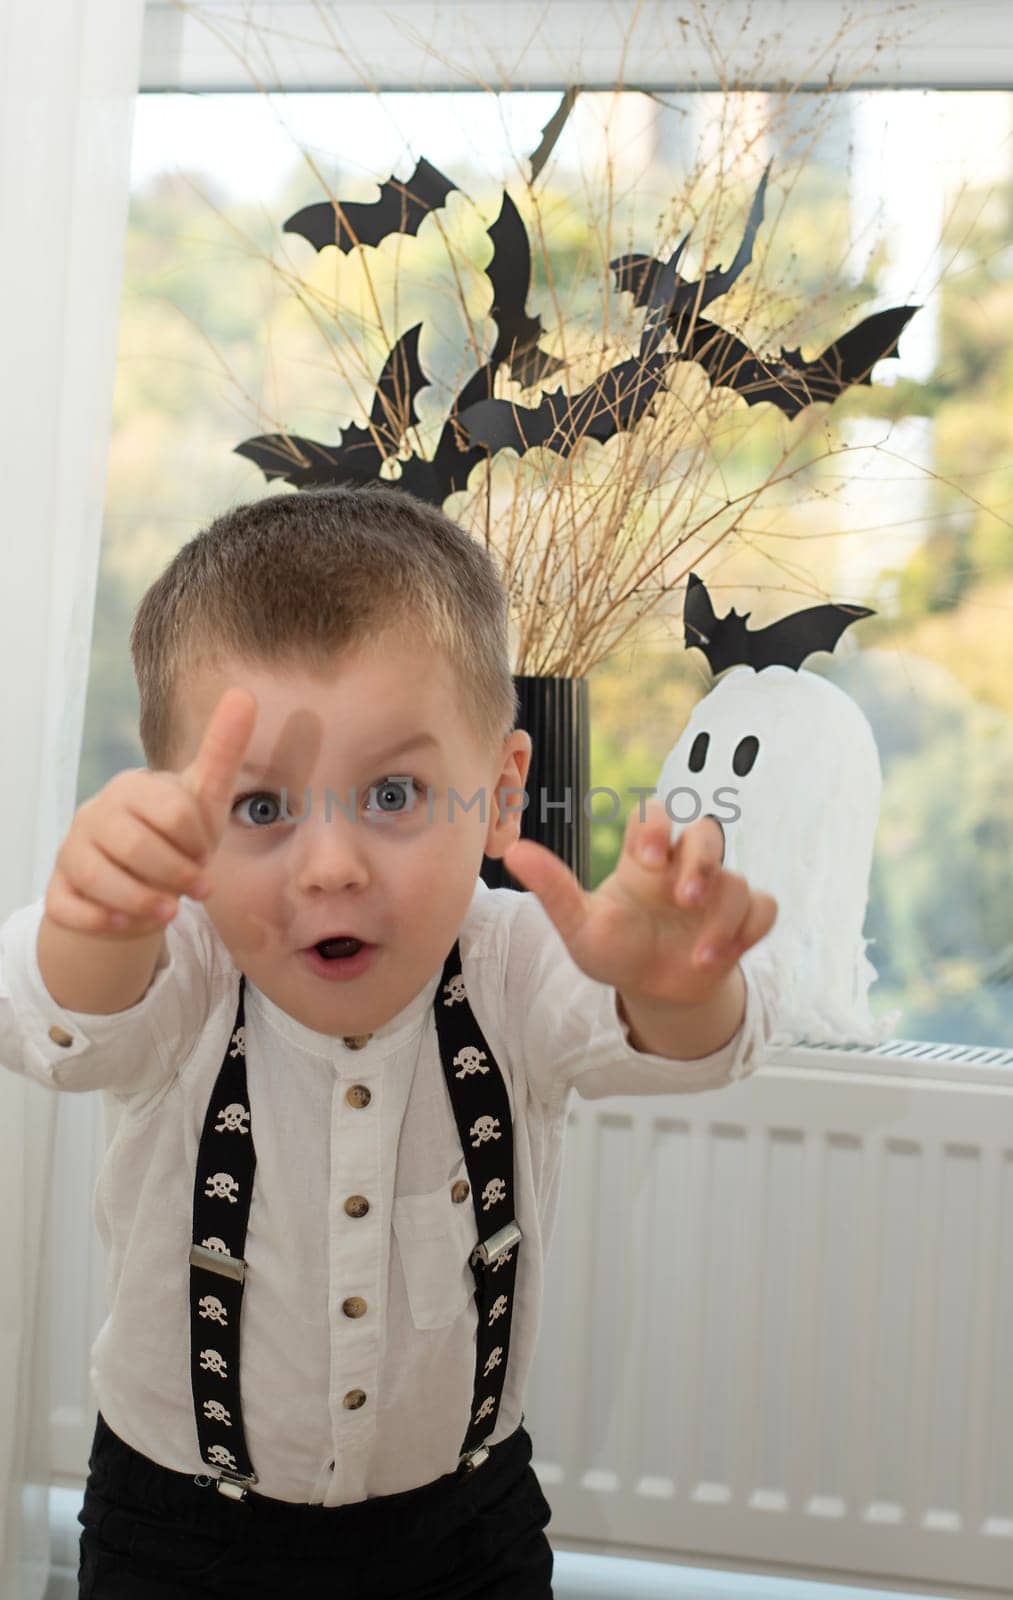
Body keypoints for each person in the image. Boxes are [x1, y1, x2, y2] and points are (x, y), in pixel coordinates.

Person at [0, 482, 779, 1599]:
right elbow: (61, 1028)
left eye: (395, 792)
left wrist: (676, 986)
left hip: (463, 1533)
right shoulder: (181, 963)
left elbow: (673, 1043)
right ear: (176, 813)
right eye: (259, 808)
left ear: (501, 794)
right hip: (177, 1528)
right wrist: (94, 920)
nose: (329, 867)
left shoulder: (515, 965)